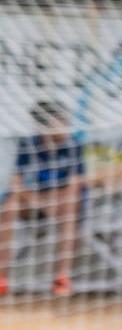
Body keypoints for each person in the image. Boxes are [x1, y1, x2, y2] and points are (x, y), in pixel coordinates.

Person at [0, 101, 85, 297]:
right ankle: (1, 277)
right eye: (60, 121)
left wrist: (50, 202)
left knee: (70, 208)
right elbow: (16, 184)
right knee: (10, 205)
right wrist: (38, 202)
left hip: (61, 203)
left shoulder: (72, 146)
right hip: (34, 202)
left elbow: (75, 187)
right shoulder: (29, 145)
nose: (64, 126)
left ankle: (62, 279)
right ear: (45, 125)